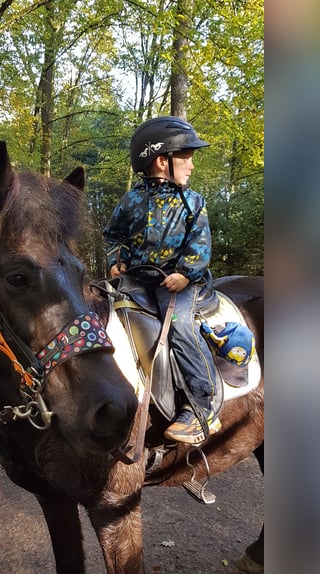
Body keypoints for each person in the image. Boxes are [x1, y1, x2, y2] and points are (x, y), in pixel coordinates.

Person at [103, 116, 220, 444]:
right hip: (139, 280)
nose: (192, 165)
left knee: (181, 324)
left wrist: (185, 273)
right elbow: (113, 234)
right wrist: (117, 260)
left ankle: (201, 404)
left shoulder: (193, 202)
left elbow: (200, 244)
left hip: (180, 285)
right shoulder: (131, 201)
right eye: (187, 157)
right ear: (161, 161)